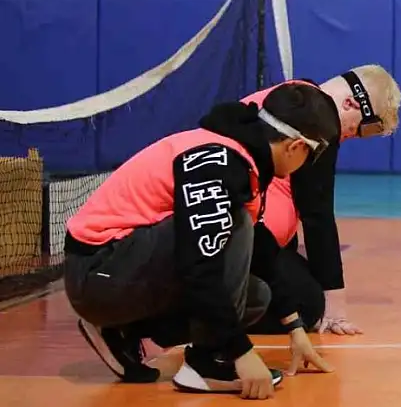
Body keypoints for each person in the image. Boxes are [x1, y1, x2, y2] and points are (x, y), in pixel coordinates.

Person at [63, 82, 340, 399]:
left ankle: (124, 331)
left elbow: (262, 249)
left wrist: (294, 326)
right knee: (234, 226)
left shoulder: (239, 154)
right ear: (296, 147)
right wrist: (241, 353)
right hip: (97, 273)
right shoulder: (218, 164)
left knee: (255, 296)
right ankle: (205, 365)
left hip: (114, 267)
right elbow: (200, 265)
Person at [240, 65, 401, 336]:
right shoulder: (318, 118)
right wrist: (336, 305)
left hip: (239, 231)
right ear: (351, 102)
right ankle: (204, 315)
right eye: (360, 129)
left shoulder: (294, 93)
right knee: (308, 305)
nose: (351, 136)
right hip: (240, 237)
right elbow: (317, 214)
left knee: (301, 281)